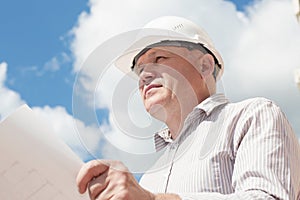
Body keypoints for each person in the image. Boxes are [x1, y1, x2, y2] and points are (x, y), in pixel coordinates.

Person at [76, 16, 300, 199]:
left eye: (159, 58)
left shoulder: (252, 116)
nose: (144, 75)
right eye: (140, 69)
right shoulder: (151, 176)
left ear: (204, 65)